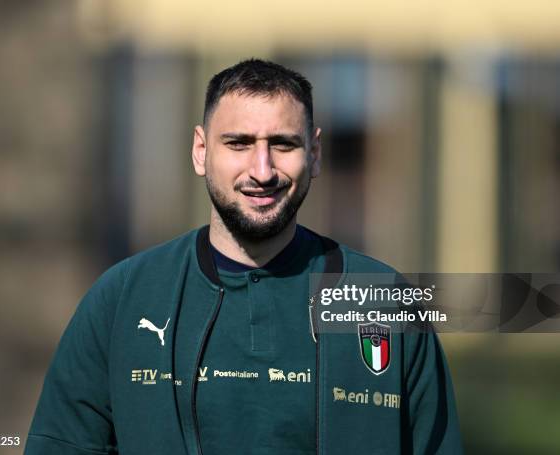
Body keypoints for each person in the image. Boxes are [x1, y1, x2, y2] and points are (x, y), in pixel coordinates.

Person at [24, 58, 462, 454]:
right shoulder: (124, 299)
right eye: (238, 143)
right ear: (201, 151)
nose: (262, 170)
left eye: (283, 144)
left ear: (314, 154)